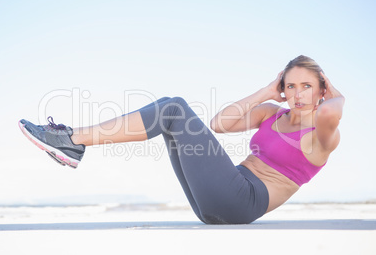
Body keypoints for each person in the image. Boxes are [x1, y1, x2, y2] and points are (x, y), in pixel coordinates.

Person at [18, 55, 345, 224]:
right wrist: (265, 91)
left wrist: (334, 89)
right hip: (214, 205)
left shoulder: (322, 134)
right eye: (290, 86)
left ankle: (74, 140)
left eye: (306, 86)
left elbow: (334, 111)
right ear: (283, 89)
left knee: (174, 108)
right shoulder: (272, 113)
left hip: (243, 201)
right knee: (171, 112)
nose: (298, 93)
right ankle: (73, 142)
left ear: (321, 89)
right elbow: (219, 124)